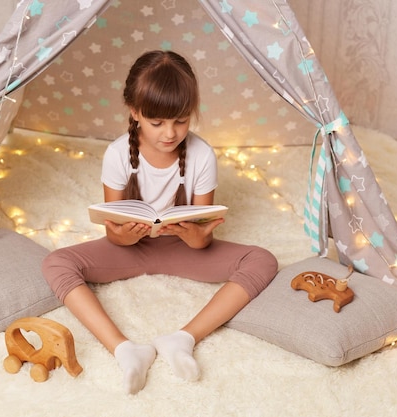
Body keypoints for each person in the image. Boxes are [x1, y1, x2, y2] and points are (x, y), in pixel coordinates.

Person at [42, 50, 278, 394]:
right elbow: (114, 231)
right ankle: (125, 350)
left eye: (181, 121)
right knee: (56, 262)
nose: (170, 133)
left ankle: (182, 339)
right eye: (157, 123)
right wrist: (125, 236)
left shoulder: (201, 155)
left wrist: (196, 237)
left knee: (263, 260)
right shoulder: (117, 154)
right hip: (130, 249)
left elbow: (203, 239)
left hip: (183, 248)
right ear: (135, 112)